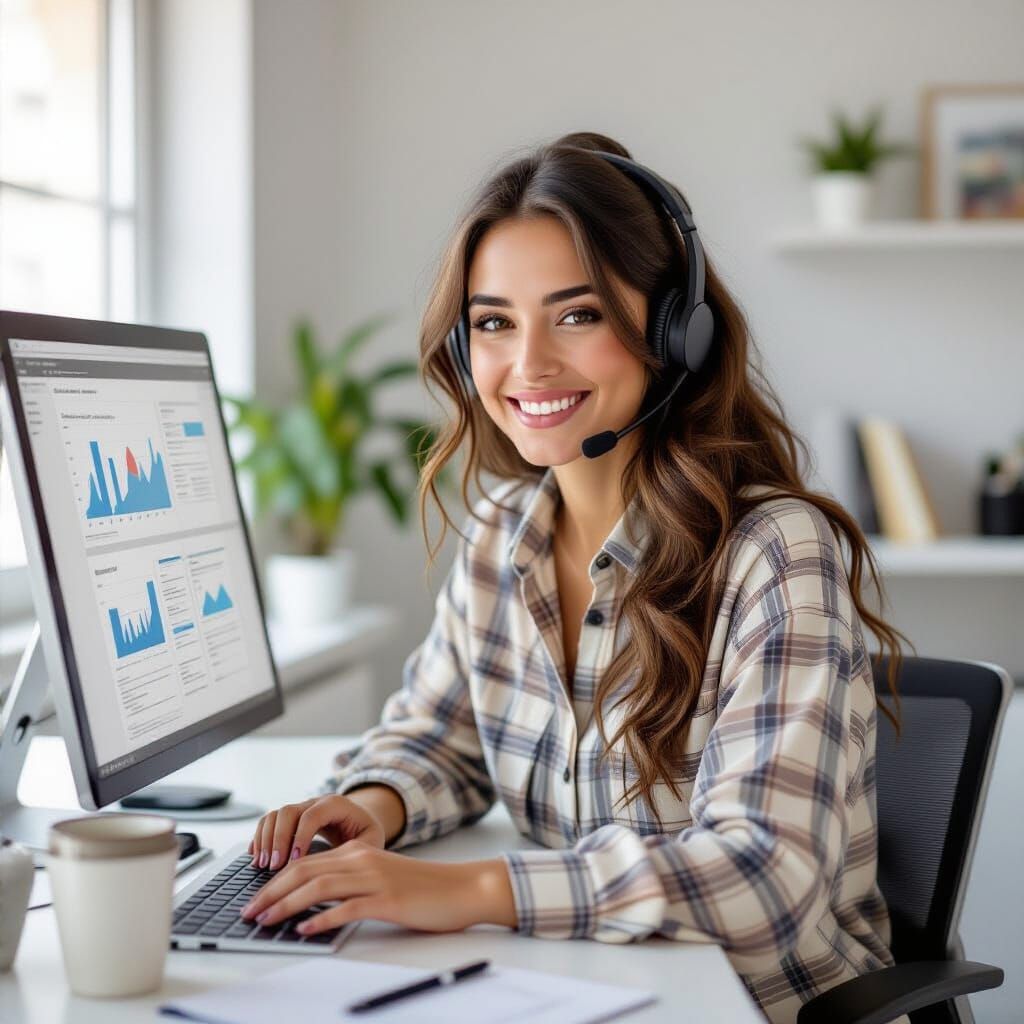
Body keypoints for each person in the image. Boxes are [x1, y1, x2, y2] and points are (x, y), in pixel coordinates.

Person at [240, 131, 912, 1024]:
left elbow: (764, 879)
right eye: (493, 322)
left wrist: (472, 890)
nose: (529, 365)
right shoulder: (500, 538)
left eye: (578, 313)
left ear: (674, 328)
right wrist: (371, 807)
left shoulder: (772, 552)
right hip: (587, 990)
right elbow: (440, 739)